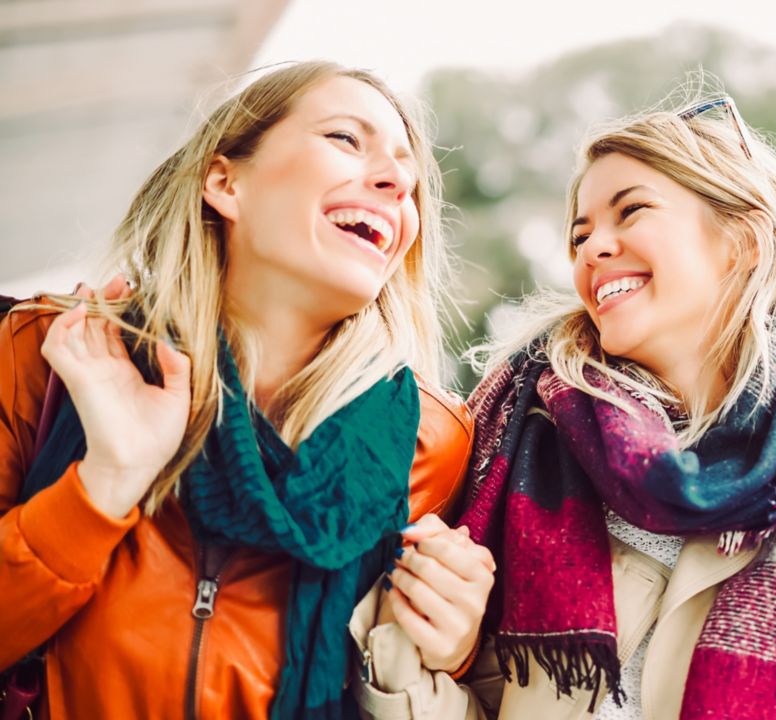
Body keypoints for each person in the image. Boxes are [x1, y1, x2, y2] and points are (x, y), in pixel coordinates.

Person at [351, 92, 776, 719]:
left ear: (745, 240)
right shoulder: (521, 435)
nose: (592, 249)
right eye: (580, 234)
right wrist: (425, 649)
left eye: (631, 212)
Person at [0, 61, 493, 719]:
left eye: (406, 175)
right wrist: (103, 485)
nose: (397, 180)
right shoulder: (45, 354)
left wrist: (450, 643)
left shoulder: (432, 440)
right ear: (225, 181)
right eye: (346, 138)